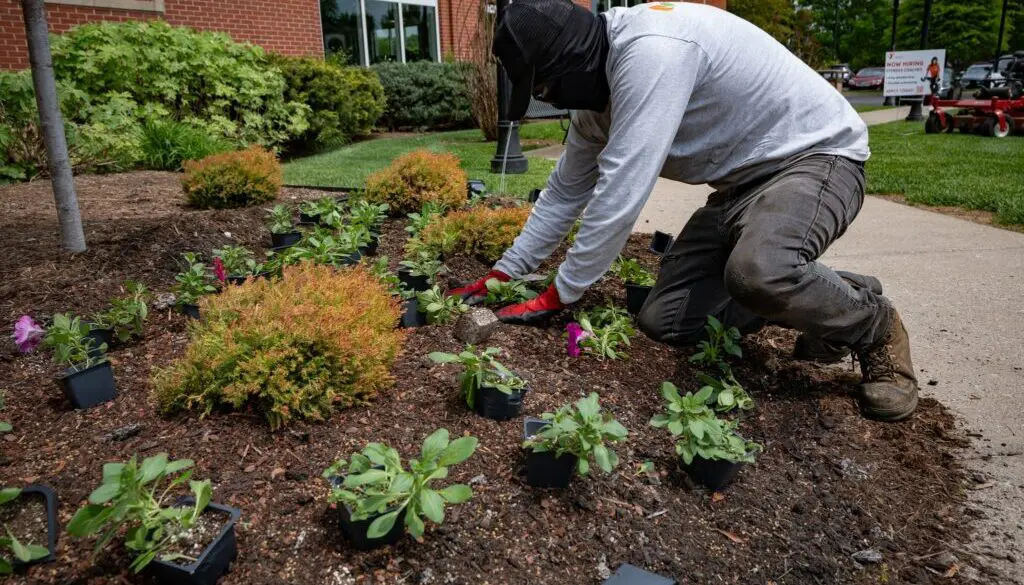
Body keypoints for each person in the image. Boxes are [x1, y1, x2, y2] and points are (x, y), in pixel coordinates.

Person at [450, 0, 919, 421]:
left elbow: (620, 195)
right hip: (740, 186)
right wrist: (507, 272)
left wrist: (561, 294)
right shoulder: (594, 104)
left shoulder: (652, 53)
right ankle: (834, 294)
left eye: (546, 87)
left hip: (816, 160)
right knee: (667, 319)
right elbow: (563, 194)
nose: (548, 100)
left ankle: (874, 327)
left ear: (573, 63)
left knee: (758, 273)